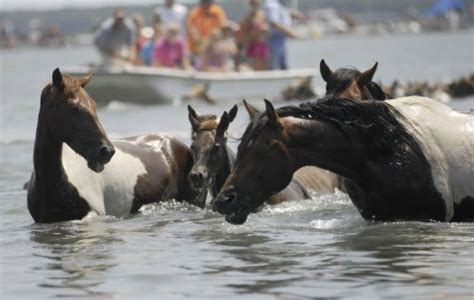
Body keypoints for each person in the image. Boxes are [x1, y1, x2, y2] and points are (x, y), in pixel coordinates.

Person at [264, 0, 303, 70]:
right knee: (274, 65)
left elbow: (282, 14)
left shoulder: (279, 4)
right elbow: (273, 22)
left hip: (281, 38)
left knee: (283, 65)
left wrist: (293, 14)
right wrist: (290, 33)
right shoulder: (272, 4)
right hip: (275, 39)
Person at [240, 0, 269, 70]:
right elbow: (245, 32)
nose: (255, 6)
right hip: (253, 44)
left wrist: (265, 29)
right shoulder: (248, 17)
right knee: (255, 67)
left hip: (262, 43)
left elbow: (268, 28)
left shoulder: (262, 14)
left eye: (256, 4)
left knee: (264, 67)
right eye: (253, 4)